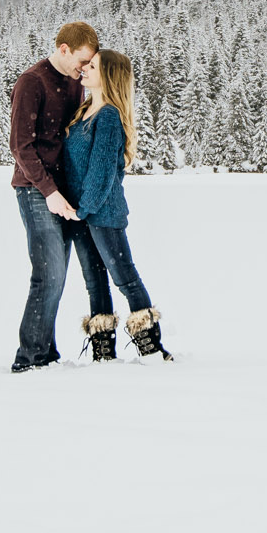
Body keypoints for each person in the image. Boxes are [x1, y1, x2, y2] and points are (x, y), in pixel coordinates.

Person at [65, 49, 171, 362]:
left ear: (108, 76)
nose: (85, 68)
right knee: (94, 281)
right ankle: (103, 351)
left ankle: (151, 347)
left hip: (103, 212)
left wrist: (83, 209)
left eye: (92, 66)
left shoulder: (108, 115)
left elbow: (101, 173)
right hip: (79, 213)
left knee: (124, 276)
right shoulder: (84, 109)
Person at [9, 21, 99, 373]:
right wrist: (48, 191)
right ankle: (29, 358)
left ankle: (45, 352)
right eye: (81, 60)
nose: (84, 68)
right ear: (64, 50)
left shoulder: (73, 83)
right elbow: (20, 145)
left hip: (62, 192)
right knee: (48, 273)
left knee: (57, 275)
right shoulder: (32, 81)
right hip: (35, 188)